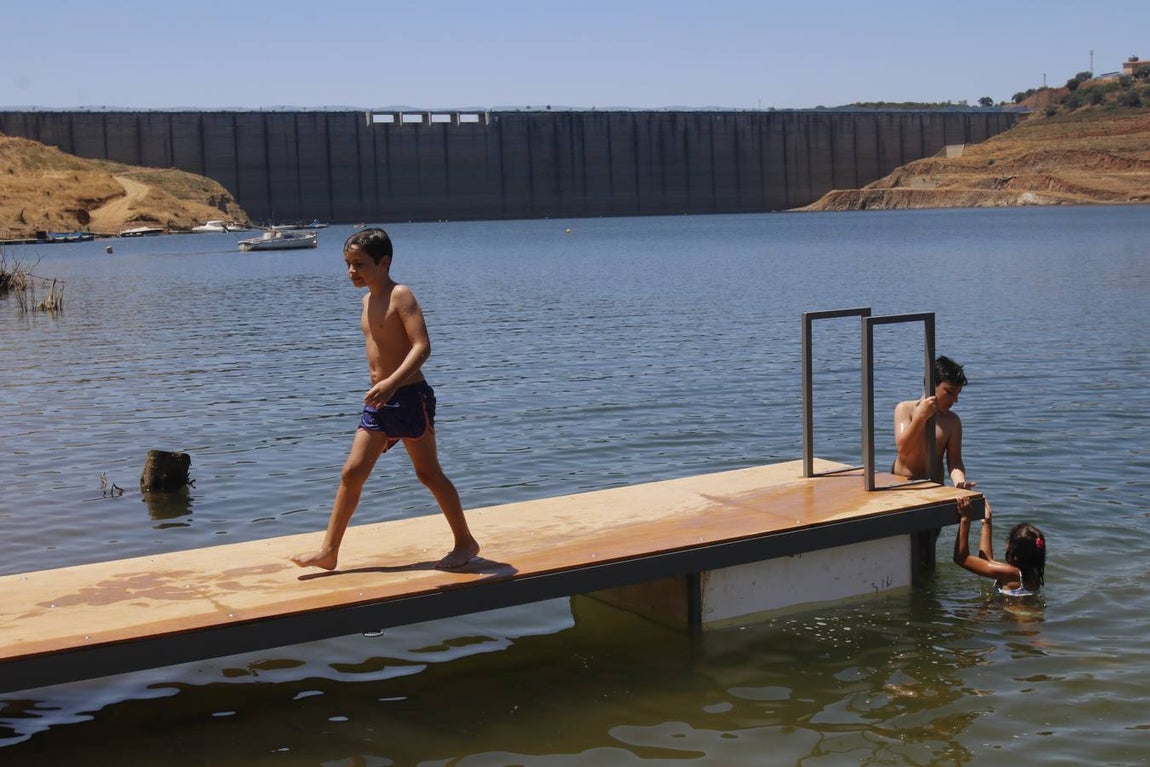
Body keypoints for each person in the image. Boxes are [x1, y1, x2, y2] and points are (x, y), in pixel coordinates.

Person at [291, 228, 480, 571]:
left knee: (428, 474)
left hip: (409, 396)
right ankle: (328, 551)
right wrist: (384, 387)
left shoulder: (400, 295)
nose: (352, 272)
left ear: (384, 262)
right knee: (351, 472)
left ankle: (465, 542)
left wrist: (393, 383)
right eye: (348, 264)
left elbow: (422, 347)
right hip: (379, 401)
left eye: (359, 264)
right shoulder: (366, 301)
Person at [892, 355, 975, 489]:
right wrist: (921, 417)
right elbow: (903, 450)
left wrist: (960, 482)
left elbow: (955, 462)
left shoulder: (952, 421)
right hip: (902, 484)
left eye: (958, 394)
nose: (955, 400)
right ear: (932, 384)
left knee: (982, 507)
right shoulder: (905, 409)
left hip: (934, 486)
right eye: (949, 392)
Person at [954, 495, 1046, 595]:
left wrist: (965, 519)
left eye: (1008, 541)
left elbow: (961, 558)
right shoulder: (1033, 573)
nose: (1006, 543)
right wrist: (987, 523)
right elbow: (985, 562)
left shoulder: (1010, 573)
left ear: (1015, 553)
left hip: (1009, 611)